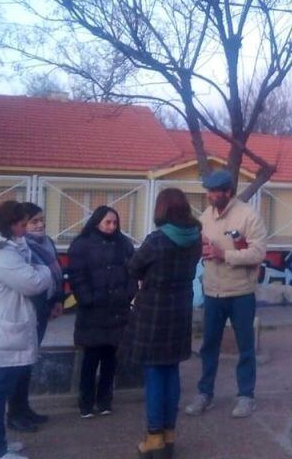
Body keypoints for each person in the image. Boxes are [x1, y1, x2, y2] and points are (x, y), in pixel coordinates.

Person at [0, 200, 54, 459]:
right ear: (8, 225)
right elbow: (33, 283)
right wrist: (45, 270)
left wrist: (34, 268)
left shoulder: (4, 246)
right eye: (20, 225)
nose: (24, 229)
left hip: (3, 330)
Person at [123, 188, 202, 459]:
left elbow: (134, 267)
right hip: (180, 311)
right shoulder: (195, 238)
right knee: (172, 372)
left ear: (162, 209)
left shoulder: (157, 240)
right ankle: (169, 435)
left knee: (155, 374)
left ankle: (154, 438)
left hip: (154, 313)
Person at [184, 169, 267, 419]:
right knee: (209, 345)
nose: (209, 195)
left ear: (227, 192)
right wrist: (201, 248)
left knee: (245, 347)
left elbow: (258, 253)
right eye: (208, 191)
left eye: (214, 191)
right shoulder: (206, 216)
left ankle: (245, 396)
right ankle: (205, 394)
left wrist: (224, 255)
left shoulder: (248, 216)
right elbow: (200, 242)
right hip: (212, 291)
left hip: (241, 292)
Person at [67, 205, 135, 419]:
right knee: (90, 358)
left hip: (117, 309)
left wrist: (127, 294)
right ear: (97, 221)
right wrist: (87, 298)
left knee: (110, 359)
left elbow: (133, 271)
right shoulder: (82, 244)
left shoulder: (123, 243)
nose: (111, 226)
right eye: (107, 222)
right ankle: (86, 403)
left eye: (115, 222)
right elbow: (77, 276)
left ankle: (105, 400)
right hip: (93, 311)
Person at [6, 202, 65, 432]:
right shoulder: (21, 247)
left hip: (44, 308)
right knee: (20, 363)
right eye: (34, 221)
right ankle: (14, 413)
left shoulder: (46, 243)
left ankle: (24, 407)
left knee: (30, 359)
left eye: (42, 220)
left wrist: (58, 299)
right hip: (27, 310)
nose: (40, 224)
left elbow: (57, 273)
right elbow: (30, 280)